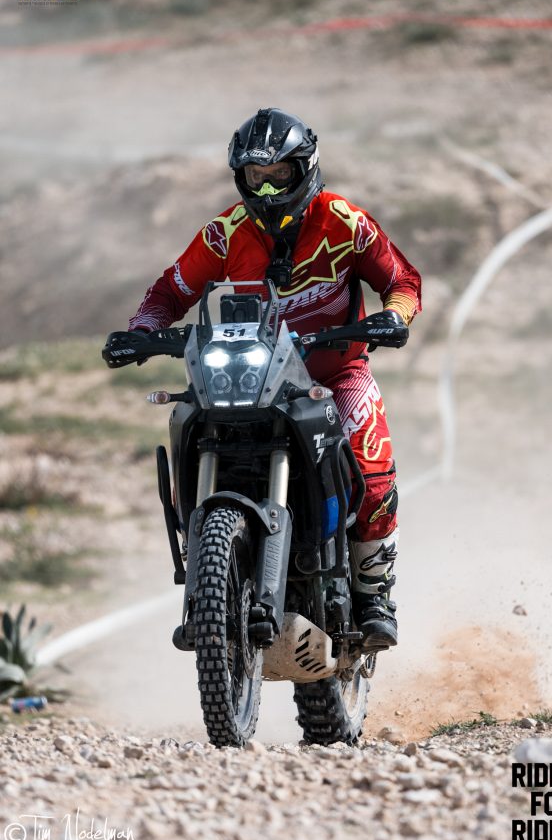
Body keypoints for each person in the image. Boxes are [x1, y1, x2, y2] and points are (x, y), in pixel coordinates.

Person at [127, 107, 421, 651]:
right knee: (186, 419)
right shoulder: (224, 233)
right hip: (247, 375)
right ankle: (210, 574)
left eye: (279, 174)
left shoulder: (346, 221)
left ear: (304, 168)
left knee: (372, 462)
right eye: (255, 176)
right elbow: (169, 291)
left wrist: (395, 316)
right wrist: (142, 330)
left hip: (335, 373)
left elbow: (402, 280)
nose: (266, 189)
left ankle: (373, 594)